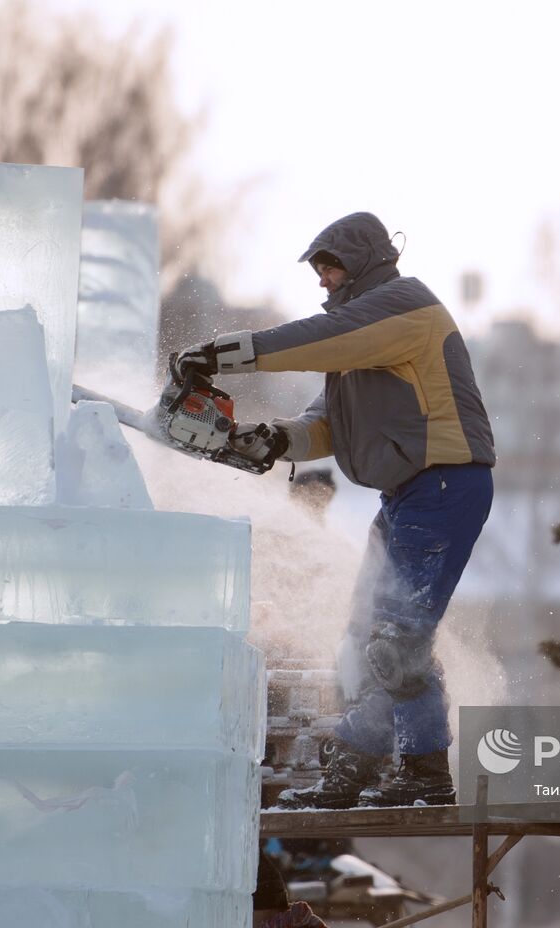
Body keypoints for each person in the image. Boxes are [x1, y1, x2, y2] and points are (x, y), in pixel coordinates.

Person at [175, 212, 495, 809]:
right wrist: (270, 439)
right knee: (366, 639)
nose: (323, 277)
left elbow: (320, 339)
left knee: (396, 639)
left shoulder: (404, 308)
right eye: (318, 268)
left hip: (446, 485)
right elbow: (326, 424)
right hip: (407, 494)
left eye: (332, 264)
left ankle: (422, 771)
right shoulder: (358, 343)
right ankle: (354, 769)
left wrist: (226, 354)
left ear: (367, 261)